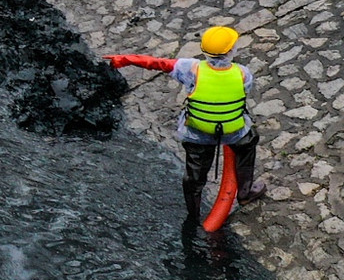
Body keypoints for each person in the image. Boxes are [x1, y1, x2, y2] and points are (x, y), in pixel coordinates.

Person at [107, 25, 266, 225]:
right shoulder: (243, 73)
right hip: (233, 132)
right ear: (231, 51)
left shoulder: (190, 68)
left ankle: (193, 214)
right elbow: (242, 90)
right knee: (249, 142)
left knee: (194, 176)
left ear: (203, 50)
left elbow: (158, 64)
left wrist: (124, 59)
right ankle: (245, 192)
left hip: (197, 134)